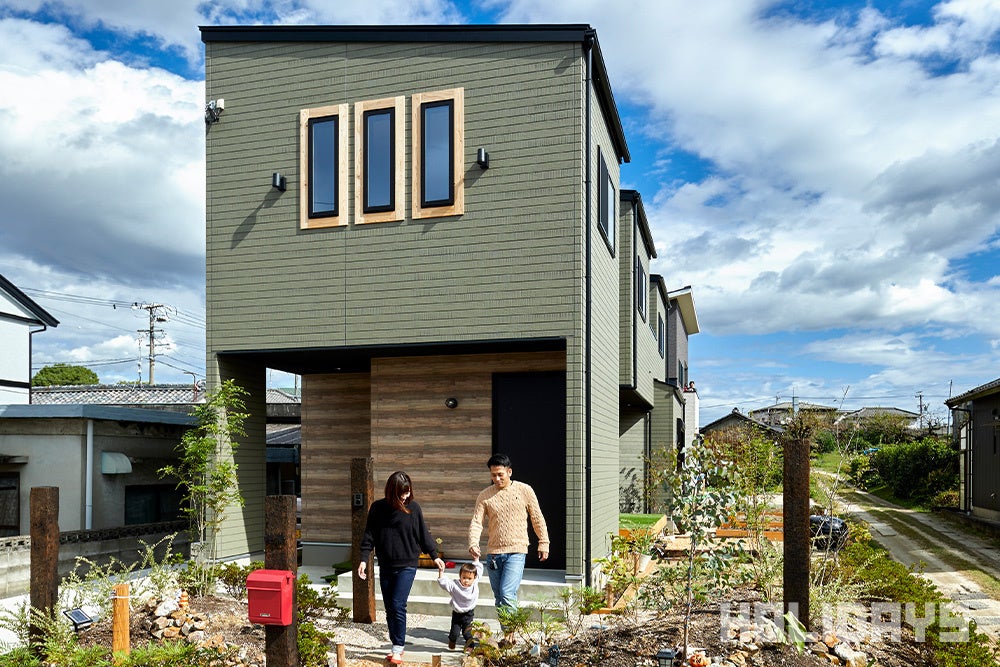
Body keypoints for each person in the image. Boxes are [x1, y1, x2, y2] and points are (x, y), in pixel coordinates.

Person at [358, 471, 444, 665]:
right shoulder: (378, 508)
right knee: (389, 608)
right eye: (401, 493)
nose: (406, 497)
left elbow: (424, 535)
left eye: (408, 492)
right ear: (392, 492)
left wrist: (434, 556)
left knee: (398, 604)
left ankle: (398, 647)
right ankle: (395, 644)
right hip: (387, 565)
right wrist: (363, 559)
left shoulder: (413, 508)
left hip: (407, 565)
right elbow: (369, 536)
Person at [467, 453, 550, 645]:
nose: (496, 479)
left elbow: (537, 518)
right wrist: (473, 542)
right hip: (494, 553)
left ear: (509, 472)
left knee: (506, 592)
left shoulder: (524, 490)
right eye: (493, 475)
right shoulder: (485, 496)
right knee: (499, 597)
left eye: (500, 474)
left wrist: (543, 542)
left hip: (516, 550)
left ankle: (510, 633)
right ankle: (508, 632)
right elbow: (476, 522)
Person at [436, 558, 484, 650]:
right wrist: (441, 572)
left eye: (469, 578)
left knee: (467, 633)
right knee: (455, 633)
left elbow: (479, 569)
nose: (466, 581)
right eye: (464, 578)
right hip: (457, 613)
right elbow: (444, 583)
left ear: (474, 578)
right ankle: (452, 640)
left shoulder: (474, 584)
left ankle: (470, 647)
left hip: (469, 613)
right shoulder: (455, 585)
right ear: (460, 576)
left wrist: (476, 559)